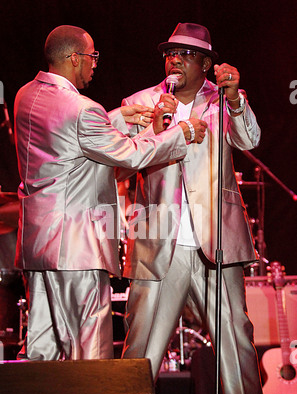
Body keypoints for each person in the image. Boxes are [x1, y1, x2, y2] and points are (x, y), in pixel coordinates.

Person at [14, 25, 202, 361]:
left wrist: (118, 119)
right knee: (90, 353)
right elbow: (131, 155)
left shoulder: (26, 95)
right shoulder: (82, 109)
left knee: (43, 352)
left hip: (38, 244)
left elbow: (67, 141)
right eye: (92, 56)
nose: (95, 63)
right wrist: (182, 133)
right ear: (74, 58)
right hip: (75, 248)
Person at [120, 23, 270, 394]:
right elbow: (122, 157)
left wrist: (237, 98)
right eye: (170, 53)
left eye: (186, 54)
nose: (175, 60)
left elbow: (251, 139)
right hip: (158, 239)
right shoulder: (141, 102)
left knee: (234, 332)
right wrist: (154, 125)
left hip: (216, 238)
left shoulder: (222, 101)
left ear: (206, 64)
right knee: (143, 338)